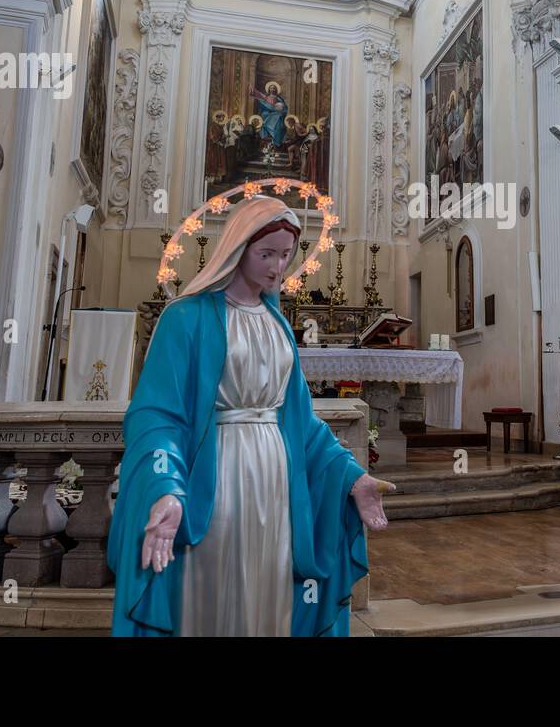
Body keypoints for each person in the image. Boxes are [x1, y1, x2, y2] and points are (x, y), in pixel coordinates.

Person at [107, 196, 394, 636]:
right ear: (237, 248)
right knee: (212, 590)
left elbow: (302, 423)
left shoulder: (277, 324)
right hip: (217, 478)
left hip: (277, 483)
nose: (278, 267)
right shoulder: (185, 318)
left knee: (271, 589)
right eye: (266, 254)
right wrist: (164, 487)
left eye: (285, 255)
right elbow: (155, 416)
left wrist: (354, 477)